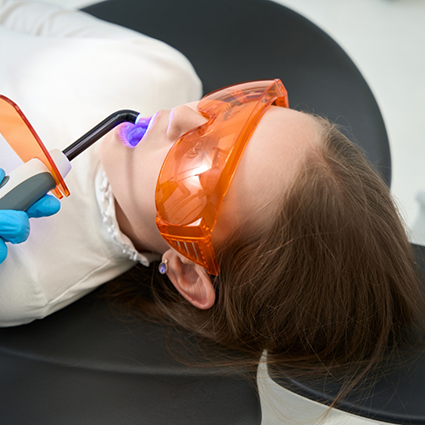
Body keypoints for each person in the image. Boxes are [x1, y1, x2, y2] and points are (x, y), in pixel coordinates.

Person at [1, 0, 424, 406]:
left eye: (200, 162)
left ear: (187, 269)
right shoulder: (160, 72)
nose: (181, 116)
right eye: (229, 112)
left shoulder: (25, 275)